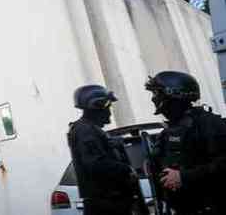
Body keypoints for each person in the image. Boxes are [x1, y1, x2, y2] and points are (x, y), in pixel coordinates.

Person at [145, 71, 226, 214]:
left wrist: (184, 176)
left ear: (173, 94)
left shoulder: (209, 124)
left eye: (157, 94)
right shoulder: (167, 133)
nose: (154, 99)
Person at [67, 85, 139, 215]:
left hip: (110, 202)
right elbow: (95, 163)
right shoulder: (85, 130)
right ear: (97, 107)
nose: (110, 113)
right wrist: (126, 169)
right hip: (105, 204)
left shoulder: (90, 129)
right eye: (107, 108)